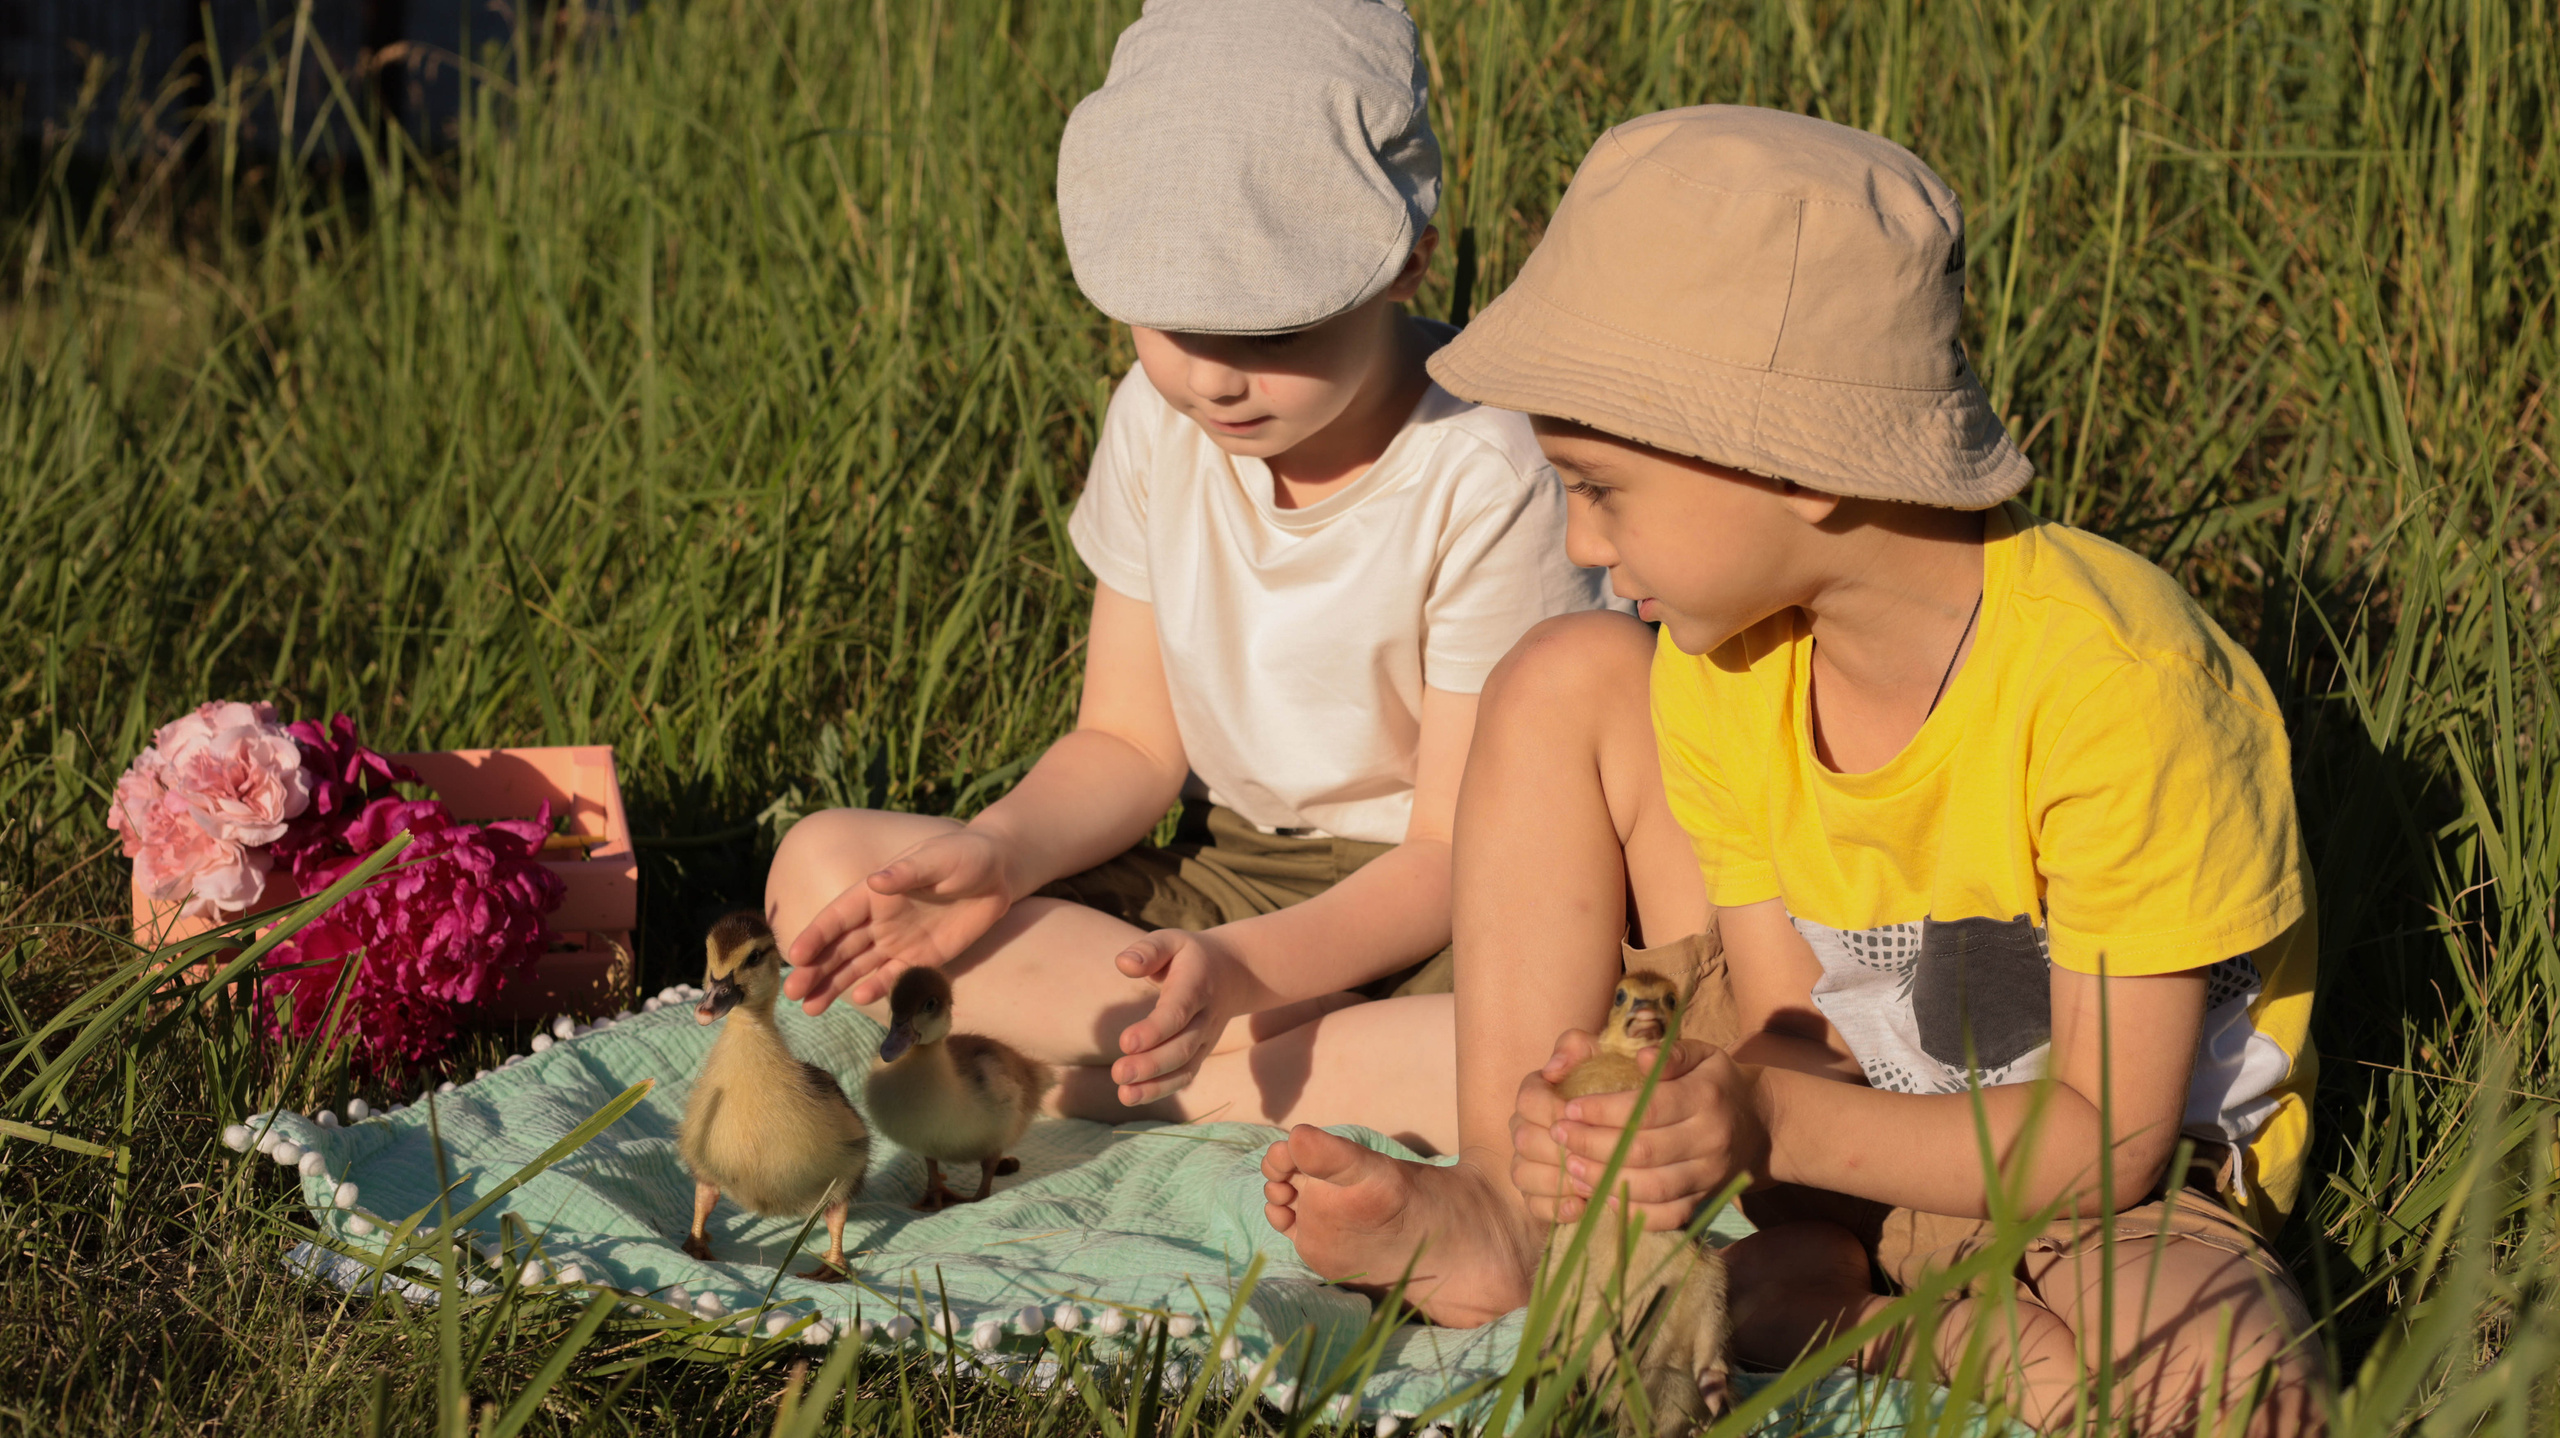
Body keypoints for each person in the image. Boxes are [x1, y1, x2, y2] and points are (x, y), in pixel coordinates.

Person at [1259, 106, 2325, 1434]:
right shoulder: (1730, 661)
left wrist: (1770, 1123)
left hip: (2119, 1193)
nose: (1582, 540)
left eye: (1601, 487)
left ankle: (1887, 1326)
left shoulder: (2121, 688)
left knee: (2233, 1392)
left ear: (1798, 465)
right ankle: (1528, 1209)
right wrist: (1686, 1121)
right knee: (1560, 667)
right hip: (1851, 1145)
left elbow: (2104, 1139)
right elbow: (1792, 1028)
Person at [764, 0, 1611, 1154]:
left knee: (1516, 1047)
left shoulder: (1485, 466)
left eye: (1273, 334)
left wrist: (1243, 967)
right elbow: (1126, 745)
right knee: (822, 870)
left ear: (1405, 261)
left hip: (1423, 908)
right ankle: (1238, 1065)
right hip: (1221, 873)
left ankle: (1134, 1075)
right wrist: (1001, 853)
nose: (1214, 381)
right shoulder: (1157, 422)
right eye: (1171, 327)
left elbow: (1450, 852)